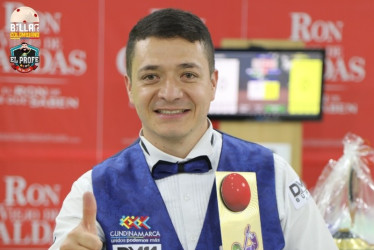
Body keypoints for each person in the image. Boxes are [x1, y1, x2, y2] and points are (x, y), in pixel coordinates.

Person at [50, 8, 338, 250]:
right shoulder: (92, 191)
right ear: (129, 87)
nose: (171, 93)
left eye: (188, 75)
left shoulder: (272, 174)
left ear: (213, 83)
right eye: (151, 76)